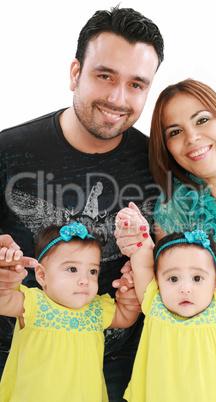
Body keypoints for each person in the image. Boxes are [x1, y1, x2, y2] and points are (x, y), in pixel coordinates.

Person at [0, 6, 164, 400]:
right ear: (75, 72)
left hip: (124, 375)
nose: (117, 97)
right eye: (104, 75)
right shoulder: (8, 151)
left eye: (137, 84)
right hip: (24, 370)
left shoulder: (159, 163)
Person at [116, 79, 216, 401]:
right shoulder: (172, 212)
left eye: (201, 120)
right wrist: (139, 253)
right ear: (166, 147)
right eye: (175, 132)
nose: (192, 137)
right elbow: (164, 299)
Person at [115, 205, 216, 401]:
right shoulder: (153, 303)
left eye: (197, 278)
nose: (185, 288)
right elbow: (142, 261)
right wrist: (135, 226)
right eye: (173, 279)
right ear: (158, 282)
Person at [0, 222, 139, 402]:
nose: (85, 280)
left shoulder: (96, 309)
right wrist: (6, 279)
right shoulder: (34, 304)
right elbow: (4, 300)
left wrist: (130, 295)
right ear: (42, 276)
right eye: (72, 269)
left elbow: (125, 317)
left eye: (92, 271)